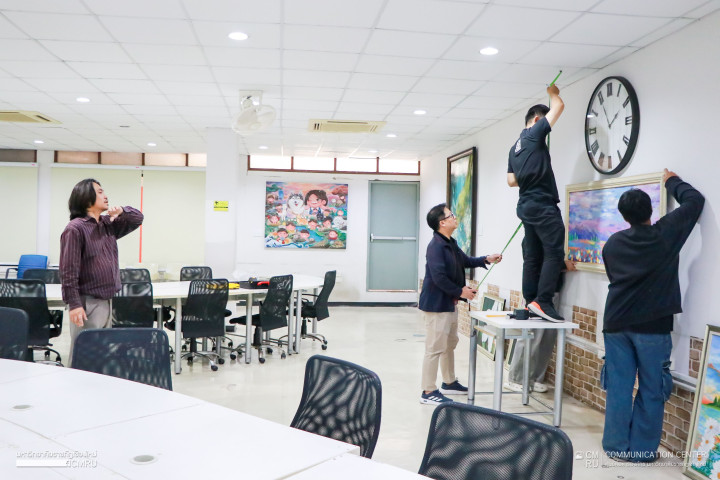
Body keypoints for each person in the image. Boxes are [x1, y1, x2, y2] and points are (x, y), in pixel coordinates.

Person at [601, 169, 704, 463]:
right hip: (653, 327)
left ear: (624, 216)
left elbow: (614, 277)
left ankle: (616, 447)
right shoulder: (664, 235)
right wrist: (672, 181)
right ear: (650, 211)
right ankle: (643, 451)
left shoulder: (613, 244)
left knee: (619, 388)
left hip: (616, 323)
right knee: (652, 389)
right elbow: (694, 202)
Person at [419, 203, 502, 405]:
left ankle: (449, 382)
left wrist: (487, 259)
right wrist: (460, 291)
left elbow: (465, 261)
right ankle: (428, 391)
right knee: (434, 348)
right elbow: (438, 277)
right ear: (442, 222)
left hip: (448, 303)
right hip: (436, 305)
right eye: (451, 215)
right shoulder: (436, 246)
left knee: (449, 344)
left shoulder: (449, 243)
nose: (455, 217)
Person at [59, 179, 143, 363]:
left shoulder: (107, 224)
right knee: (85, 355)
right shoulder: (75, 228)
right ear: (86, 197)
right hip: (87, 302)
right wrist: (74, 304)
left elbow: (138, 218)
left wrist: (122, 210)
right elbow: (68, 271)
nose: (105, 196)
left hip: (107, 300)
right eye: (99, 192)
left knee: (101, 355)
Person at [507, 84, 565, 321]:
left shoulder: (514, 148)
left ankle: (530, 300)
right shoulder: (534, 133)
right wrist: (553, 93)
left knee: (532, 255)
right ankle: (543, 301)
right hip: (542, 205)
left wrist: (530, 176)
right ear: (538, 120)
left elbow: (511, 181)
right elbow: (559, 106)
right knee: (554, 252)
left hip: (525, 206)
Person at [505, 259, 576, 393]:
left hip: (552, 292)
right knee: (531, 336)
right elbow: (535, 263)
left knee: (547, 338)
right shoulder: (536, 245)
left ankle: (535, 378)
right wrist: (561, 264)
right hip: (537, 294)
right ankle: (516, 379)